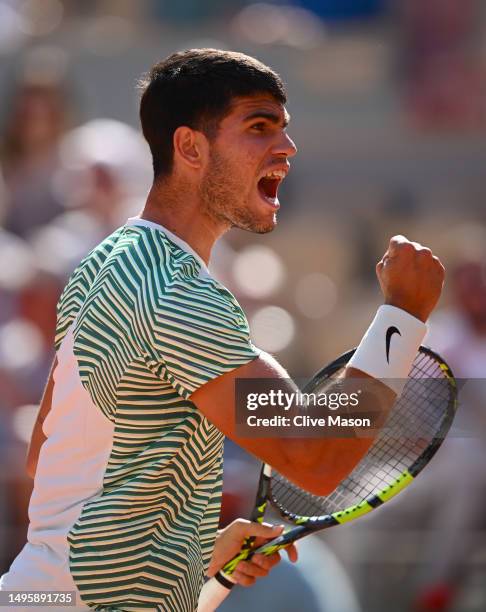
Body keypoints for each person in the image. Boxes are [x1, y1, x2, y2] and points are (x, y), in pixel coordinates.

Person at [0, 49, 444, 611]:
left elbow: (49, 456)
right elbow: (316, 454)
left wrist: (191, 557)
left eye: (284, 130)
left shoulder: (106, 262)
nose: (286, 148)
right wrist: (402, 317)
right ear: (189, 147)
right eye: (259, 127)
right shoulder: (173, 291)